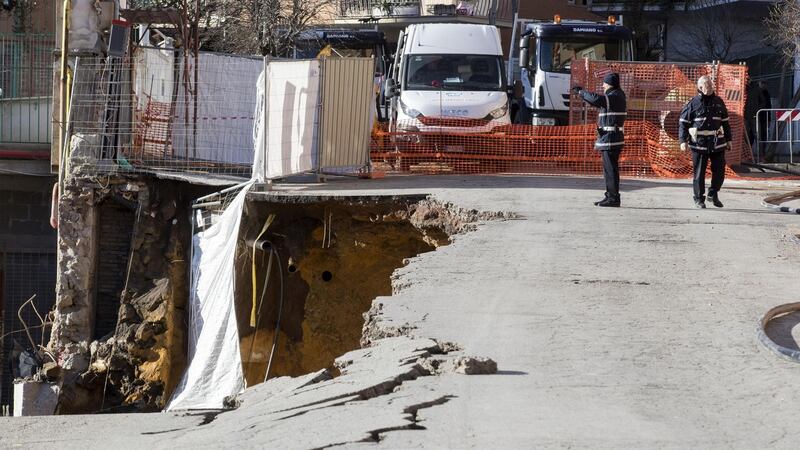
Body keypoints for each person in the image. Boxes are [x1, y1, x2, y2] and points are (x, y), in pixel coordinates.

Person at [572, 72, 627, 207]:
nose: (602, 85)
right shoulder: (615, 95)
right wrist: (583, 95)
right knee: (609, 170)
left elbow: (596, 99)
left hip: (611, 139)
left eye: (604, 83)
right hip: (610, 139)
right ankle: (610, 196)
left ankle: (613, 198)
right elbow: (595, 100)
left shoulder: (615, 96)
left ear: (609, 84)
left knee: (611, 170)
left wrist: (581, 92)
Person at [678, 75, 732, 208]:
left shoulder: (719, 102)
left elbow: (725, 123)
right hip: (699, 144)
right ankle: (698, 199)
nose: (709, 88)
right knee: (699, 173)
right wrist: (682, 141)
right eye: (706, 86)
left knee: (719, 171)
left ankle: (713, 193)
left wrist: (729, 139)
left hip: (717, 142)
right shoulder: (692, 103)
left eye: (710, 85)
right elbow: (683, 123)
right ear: (700, 87)